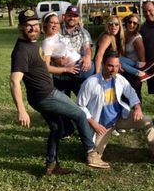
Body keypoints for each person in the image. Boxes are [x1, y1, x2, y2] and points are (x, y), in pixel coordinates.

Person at [10, 9, 100, 175]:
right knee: (79, 114)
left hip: (41, 95)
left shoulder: (32, 43)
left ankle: (51, 165)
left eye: (35, 25)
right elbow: (14, 81)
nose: (33, 29)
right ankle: (91, 154)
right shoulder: (21, 51)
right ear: (21, 27)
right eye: (28, 26)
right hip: (46, 95)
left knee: (57, 128)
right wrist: (21, 111)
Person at [77, 52, 154, 169]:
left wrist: (137, 107)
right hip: (102, 125)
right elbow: (80, 106)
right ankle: (95, 151)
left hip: (120, 117)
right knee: (94, 156)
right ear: (103, 64)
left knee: (146, 121)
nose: (113, 69)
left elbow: (131, 94)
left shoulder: (119, 79)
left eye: (116, 66)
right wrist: (94, 124)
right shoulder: (91, 82)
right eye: (110, 65)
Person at [94, 15, 154, 82]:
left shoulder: (117, 36)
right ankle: (139, 72)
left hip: (113, 64)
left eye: (116, 24)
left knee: (119, 59)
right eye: (111, 24)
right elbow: (98, 56)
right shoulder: (107, 37)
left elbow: (119, 55)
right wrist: (98, 75)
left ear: (120, 25)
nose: (114, 26)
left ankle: (139, 67)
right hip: (105, 65)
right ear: (107, 26)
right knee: (119, 60)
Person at [53, 5, 94, 97]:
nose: (72, 18)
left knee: (83, 103)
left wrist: (87, 57)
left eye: (75, 16)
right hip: (61, 76)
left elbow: (87, 47)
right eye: (70, 15)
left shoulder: (83, 32)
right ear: (65, 16)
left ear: (78, 18)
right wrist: (59, 61)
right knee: (62, 107)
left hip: (78, 76)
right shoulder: (56, 31)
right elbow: (50, 52)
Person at [123, 13, 146, 101]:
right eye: (129, 22)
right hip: (124, 69)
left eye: (134, 23)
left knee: (135, 95)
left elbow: (142, 60)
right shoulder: (124, 34)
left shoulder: (137, 39)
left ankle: (138, 114)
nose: (131, 25)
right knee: (125, 95)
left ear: (137, 25)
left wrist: (140, 78)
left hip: (134, 71)